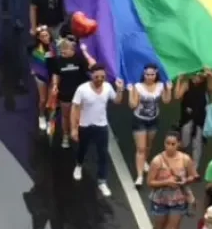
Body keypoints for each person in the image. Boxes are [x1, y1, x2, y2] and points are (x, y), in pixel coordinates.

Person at [148, 130, 200, 229]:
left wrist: (185, 181)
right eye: (167, 143)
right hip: (161, 200)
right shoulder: (157, 161)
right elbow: (150, 182)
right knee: (158, 228)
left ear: (178, 144)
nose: (170, 146)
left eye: (173, 143)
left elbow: (193, 176)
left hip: (178, 200)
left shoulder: (185, 159)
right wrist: (166, 182)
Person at [70, 64, 125, 195]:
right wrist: (73, 128)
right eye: (97, 77)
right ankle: (78, 166)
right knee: (82, 150)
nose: (100, 79)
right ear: (91, 75)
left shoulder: (107, 87)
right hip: (85, 125)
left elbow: (117, 101)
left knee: (103, 154)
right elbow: (75, 108)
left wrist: (120, 90)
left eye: (103, 77)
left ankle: (102, 181)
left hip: (101, 126)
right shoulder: (82, 89)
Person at [129, 64, 173, 186]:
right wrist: (130, 92)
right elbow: (132, 105)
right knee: (141, 148)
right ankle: (139, 176)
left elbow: (166, 100)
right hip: (139, 120)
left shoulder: (160, 86)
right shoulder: (138, 87)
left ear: (156, 74)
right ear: (144, 74)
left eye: (152, 74)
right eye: (147, 74)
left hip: (153, 120)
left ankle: (144, 162)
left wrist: (168, 89)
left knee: (148, 146)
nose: (149, 77)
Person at [47, 37, 95, 149]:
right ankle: (65, 135)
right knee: (65, 115)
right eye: (62, 50)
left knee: (81, 115)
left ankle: (79, 134)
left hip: (79, 94)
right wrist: (54, 85)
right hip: (65, 92)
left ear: (72, 49)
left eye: (66, 49)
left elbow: (90, 68)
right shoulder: (58, 61)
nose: (63, 52)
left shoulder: (79, 59)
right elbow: (56, 74)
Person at [176, 72, 211, 167]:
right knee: (184, 142)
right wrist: (179, 79)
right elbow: (177, 96)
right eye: (196, 75)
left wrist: (211, 74)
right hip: (187, 118)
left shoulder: (206, 87)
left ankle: (194, 167)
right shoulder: (187, 84)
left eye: (200, 76)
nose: (197, 78)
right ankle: (176, 155)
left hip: (200, 120)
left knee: (197, 143)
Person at [29, 26, 56, 130]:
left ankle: (51, 121)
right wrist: (35, 71)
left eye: (46, 35)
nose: (45, 37)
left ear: (49, 35)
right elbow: (35, 64)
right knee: (43, 99)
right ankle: (41, 116)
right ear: (39, 38)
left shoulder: (54, 47)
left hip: (53, 76)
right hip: (41, 77)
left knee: (52, 100)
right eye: (42, 36)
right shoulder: (36, 50)